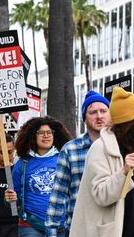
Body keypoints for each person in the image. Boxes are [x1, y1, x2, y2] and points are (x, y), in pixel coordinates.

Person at [70, 87, 134, 237]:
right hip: (118, 231)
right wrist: (123, 172)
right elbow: (101, 195)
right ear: (131, 120)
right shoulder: (101, 148)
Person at [46, 90, 110, 236]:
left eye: (103, 111)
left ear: (110, 115)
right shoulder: (71, 150)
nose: (99, 116)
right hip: (79, 227)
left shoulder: (121, 148)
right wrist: (52, 230)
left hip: (112, 227)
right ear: (84, 118)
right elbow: (58, 194)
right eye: (93, 112)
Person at [8, 116, 73, 237]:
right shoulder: (22, 164)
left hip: (60, 226)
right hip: (30, 226)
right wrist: (8, 199)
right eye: (41, 132)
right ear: (33, 136)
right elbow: (13, 201)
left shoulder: (65, 159)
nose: (46, 135)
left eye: (49, 132)